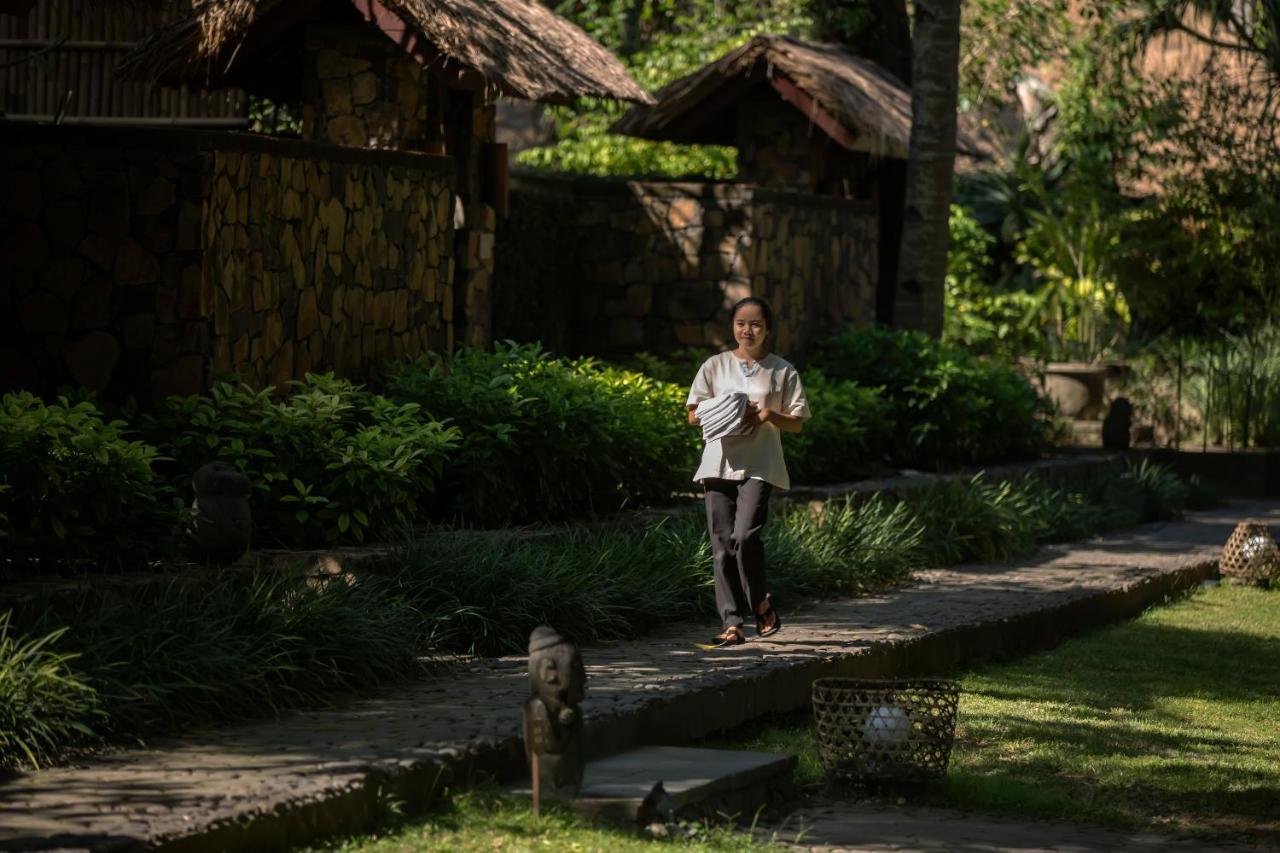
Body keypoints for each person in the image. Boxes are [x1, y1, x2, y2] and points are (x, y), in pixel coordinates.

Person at [686, 297, 810, 647]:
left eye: (755, 324)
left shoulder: (783, 371)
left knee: (745, 536)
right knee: (722, 545)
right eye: (741, 323)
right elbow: (693, 414)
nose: (747, 330)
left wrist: (769, 414)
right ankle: (732, 622)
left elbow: (798, 423)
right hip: (718, 463)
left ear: (767, 329)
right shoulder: (714, 365)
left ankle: (760, 601)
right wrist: (726, 407)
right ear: (733, 326)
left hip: (760, 464)